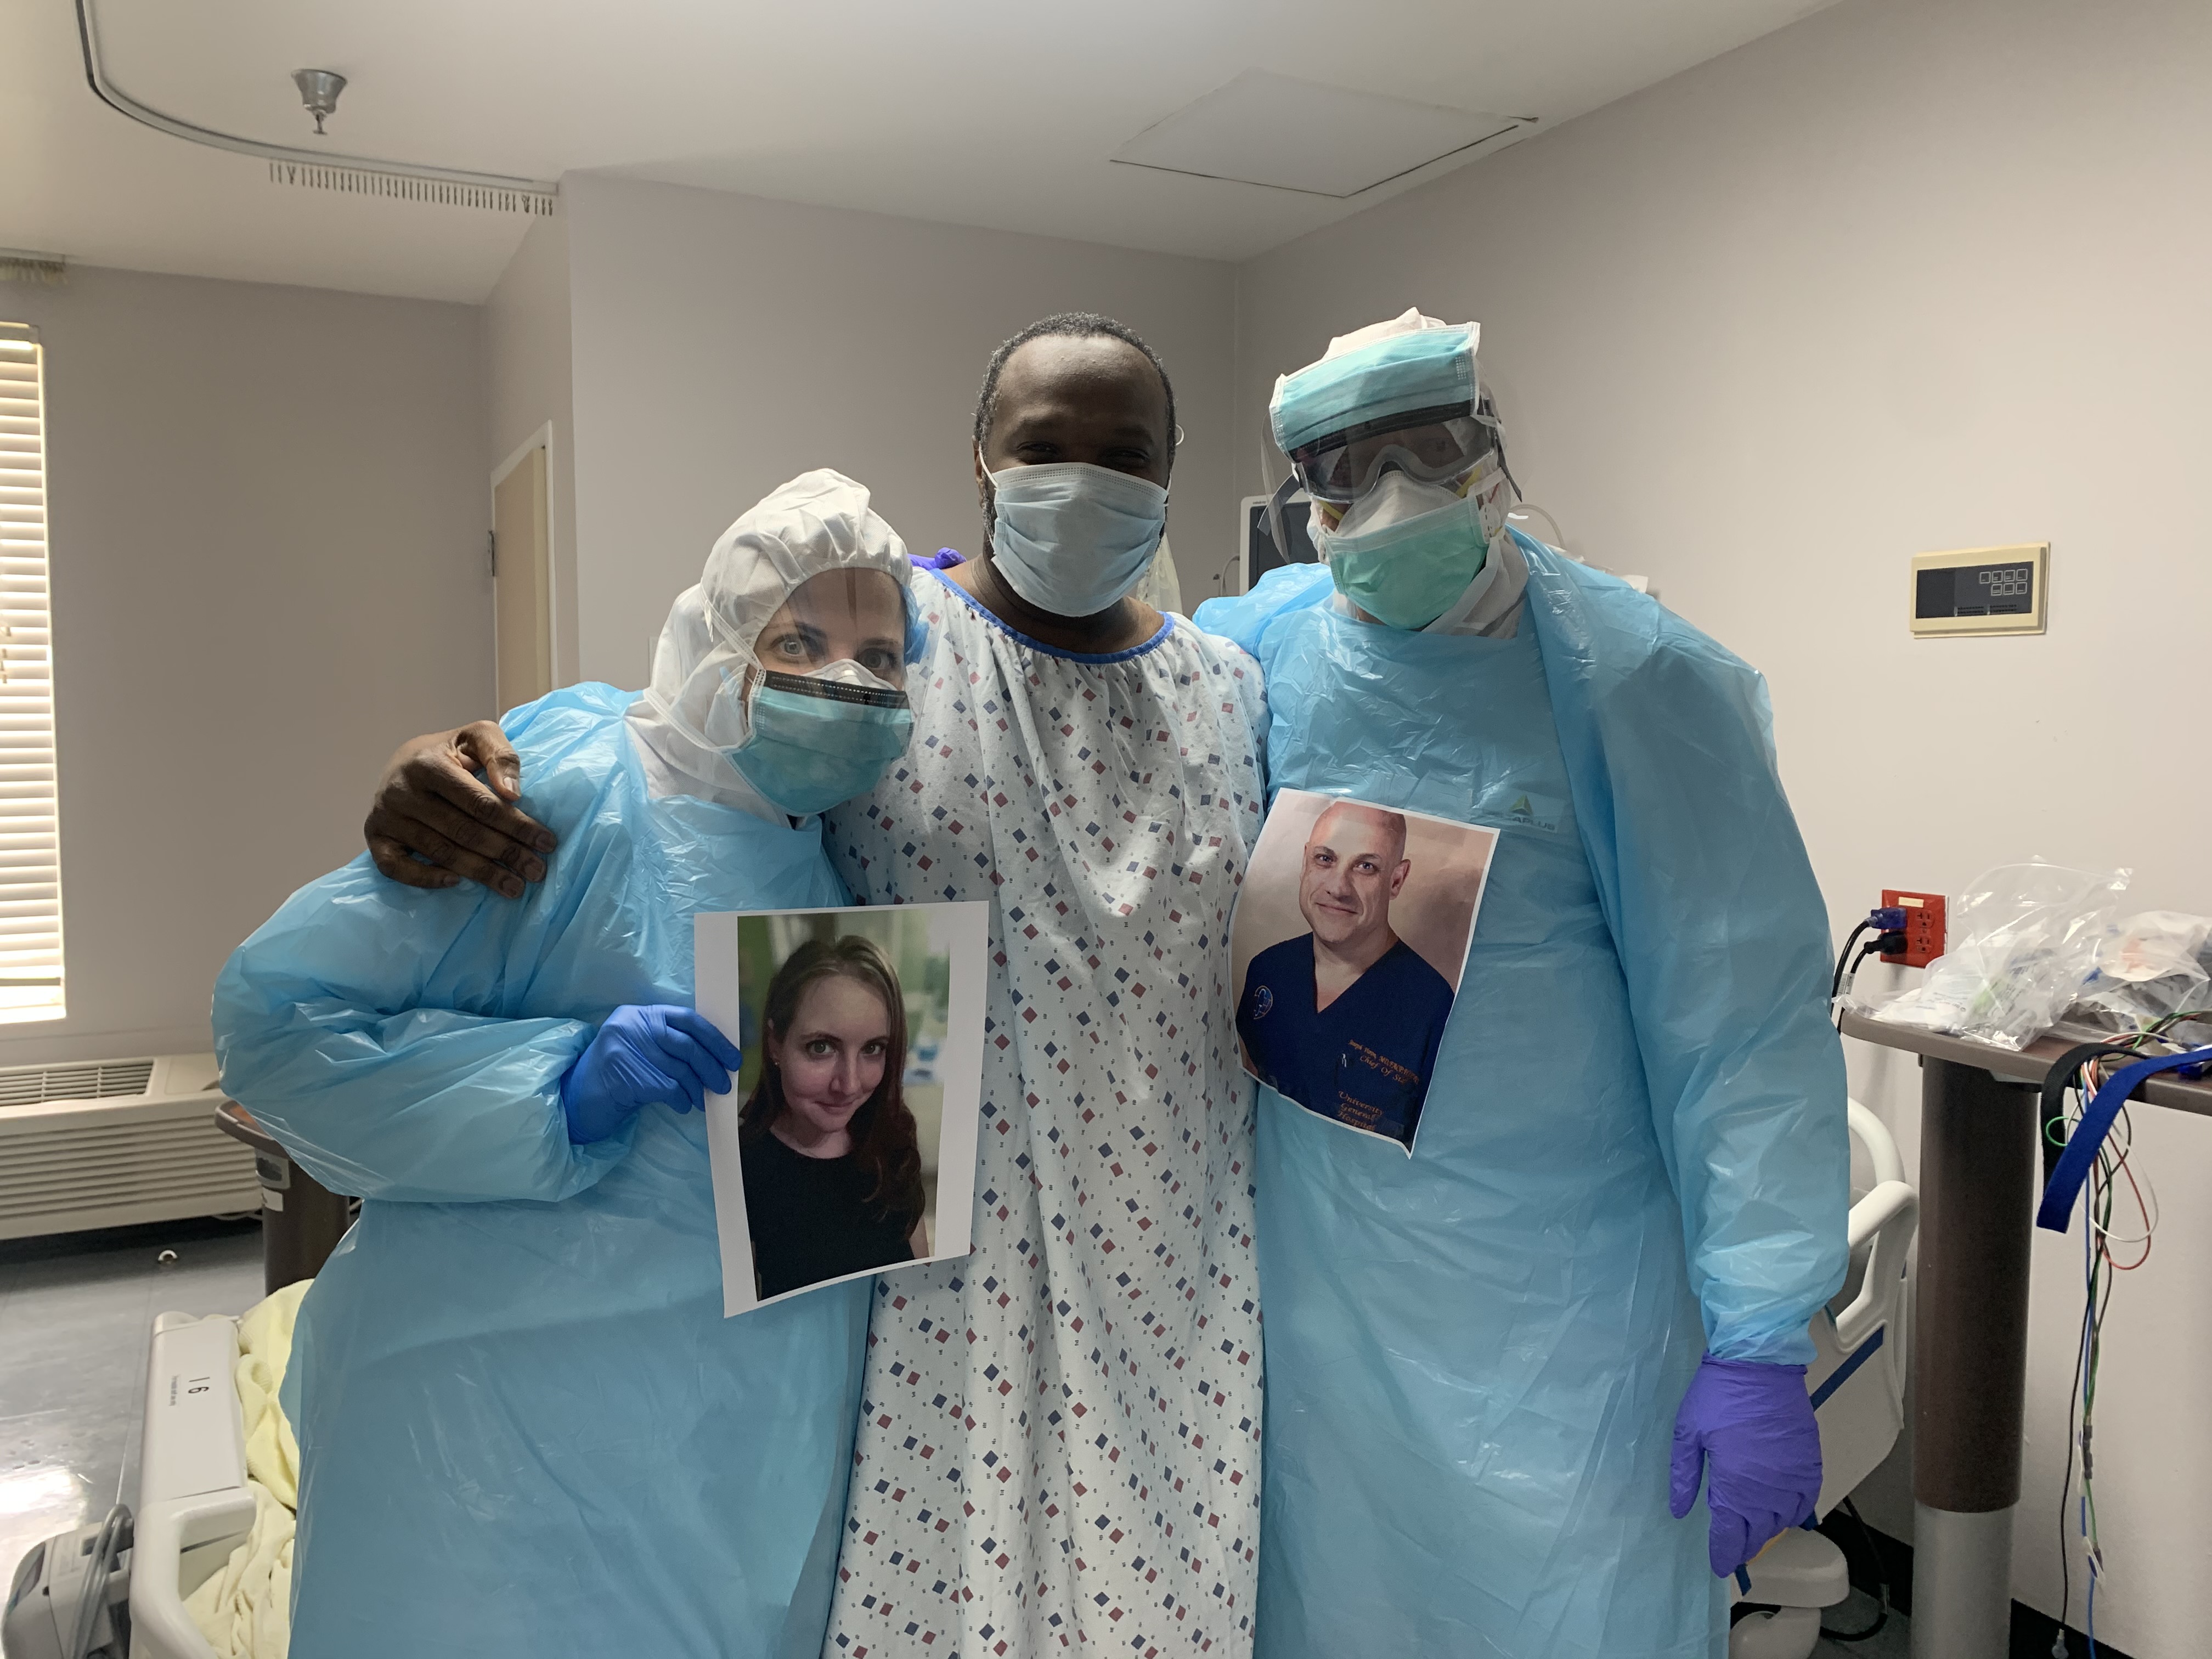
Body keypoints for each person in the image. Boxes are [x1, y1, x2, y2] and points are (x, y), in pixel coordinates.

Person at [352, 315, 1265, 1659]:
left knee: (1167, 1602)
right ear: (980, 461)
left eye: (1122, 453)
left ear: (1173, 469)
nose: (1081, 477)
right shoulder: (897, 649)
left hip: (1172, 1254)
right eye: (1042, 447)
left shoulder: (1232, 691)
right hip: (918, 1263)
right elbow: (691, 723)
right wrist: (462, 753)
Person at [1193, 311, 1847, 1658]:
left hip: (1562, 1325)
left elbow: (1743, 1034)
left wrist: (1762, 1333)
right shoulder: (1269, 648)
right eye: (1341, 469)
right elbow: (1119, 692)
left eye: (1423, 450)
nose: (1383, 500)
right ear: (1298, 493)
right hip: (1326, 1299)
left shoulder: (1643, 681)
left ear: (1488, 448)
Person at [211, 471, 919, 1658]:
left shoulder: (845, 836)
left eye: (882, 655)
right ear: (715, 637)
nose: (846, 679)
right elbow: (280, 1023)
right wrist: (554, 1085)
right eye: (798, 639)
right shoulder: (567, 790)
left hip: (738, 1438)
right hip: (481, 1430)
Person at [1237, 800, 1454, 1146]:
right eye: (1325, 859)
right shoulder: (1269, 969)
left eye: (1365, 866)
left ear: (1396, 881)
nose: (1338, 887)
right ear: (1305, 861)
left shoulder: (1436, 1009)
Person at [740, 934, 928, 1300]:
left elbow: (920, 1285)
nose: (850, 1085)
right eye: (821, 1047)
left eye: (873, 1049)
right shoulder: (743, 1165)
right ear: (776, 1044)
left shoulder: (893, 1141)